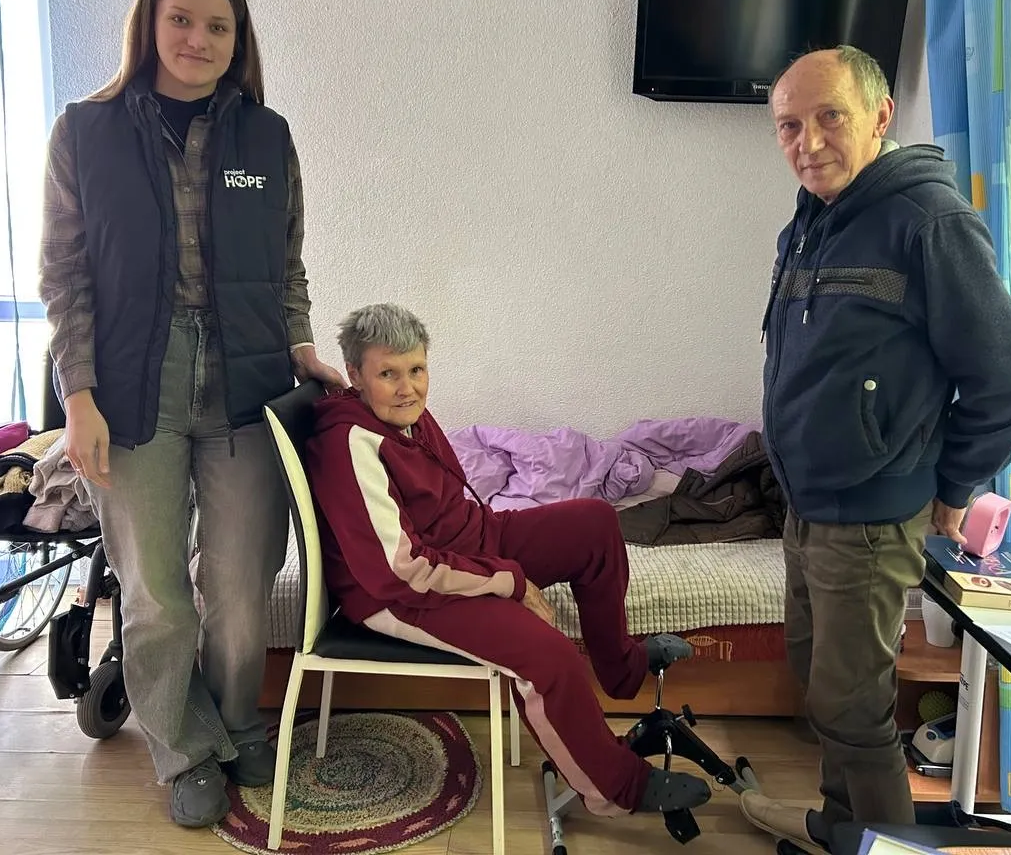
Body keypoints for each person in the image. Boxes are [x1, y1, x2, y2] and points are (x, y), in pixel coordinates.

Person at [38, 0, 345, 828]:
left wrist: (302, 348)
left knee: (246, 578)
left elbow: (288, 266)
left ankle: (236, 718)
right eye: (182, 19)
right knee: (157, 588)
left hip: (249, 378)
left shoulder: (266, 134)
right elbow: (64, 275)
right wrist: (79, 396)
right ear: (150, 23)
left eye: (219, 25)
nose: (198, 39)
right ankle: (180, 745)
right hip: (134, 379)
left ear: (238, 40)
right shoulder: (84, 133)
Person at [740, 46, 1011, 852]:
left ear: (880, 116)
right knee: (822, 687)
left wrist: (953, 486)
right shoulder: (811, 220)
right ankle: (846, 829)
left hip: (871, 516)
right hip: (808, 505)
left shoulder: (926, 222)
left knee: (853, 708)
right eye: (789, 126)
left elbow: (1008, 379)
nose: (807, 142)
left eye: (828, 116)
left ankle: (882, 845)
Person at [305, 303, 711, 818]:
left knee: (595, 522)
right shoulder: (349, 444)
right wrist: (509, 583)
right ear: (357, 376)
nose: (408, 387)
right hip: (405, 594)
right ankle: (614, 788)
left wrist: (500, 567)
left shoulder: (406, 416)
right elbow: (399, 569)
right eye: (388, 374)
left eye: (417, 370)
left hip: (466, 548)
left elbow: (449, 510)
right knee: (550, 656)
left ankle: (621, 668)